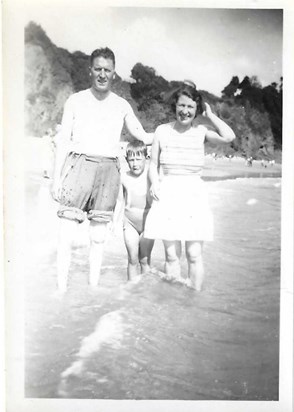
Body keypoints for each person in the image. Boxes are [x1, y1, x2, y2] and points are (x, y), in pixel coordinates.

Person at [51, 47, 153, 293]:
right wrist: (55, 179)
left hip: (109, 170)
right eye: (98, 69)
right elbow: (63, 141)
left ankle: (92, 290)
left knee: (98, 238)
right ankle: (60, 291)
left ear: (114, 74)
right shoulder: (75, 100)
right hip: (78, 166)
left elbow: (140, 134)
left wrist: (171, 133)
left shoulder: (121, 105)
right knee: (66, 236)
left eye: (107, 70)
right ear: (90, 71)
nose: (102, 74)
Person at [144, 80, 235, 291]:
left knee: (194, 254)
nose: (185, 111)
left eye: (191, 107)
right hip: (167, 194)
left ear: (197, 109)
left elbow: (229, 136)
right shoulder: (161, 131)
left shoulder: (201, 132)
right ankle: (173, 305)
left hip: (193, 196)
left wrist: (210, 115)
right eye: (182, 105)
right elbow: (153, 164)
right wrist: (154, 183)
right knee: (171, 255)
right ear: (175, 105)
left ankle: (194, 299)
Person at [114, 140, 154, 280]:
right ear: (126, 160)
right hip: (129, 222)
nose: (135, 163)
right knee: (132, 259)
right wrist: (114, 222)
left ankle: (144, 292)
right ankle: (131, 290)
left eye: (138, 159)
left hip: (147, 224)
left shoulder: (151, 175)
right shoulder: (124, 176)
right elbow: (120, 201)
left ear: (146, 158)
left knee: (144, 259)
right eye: (131, 160)